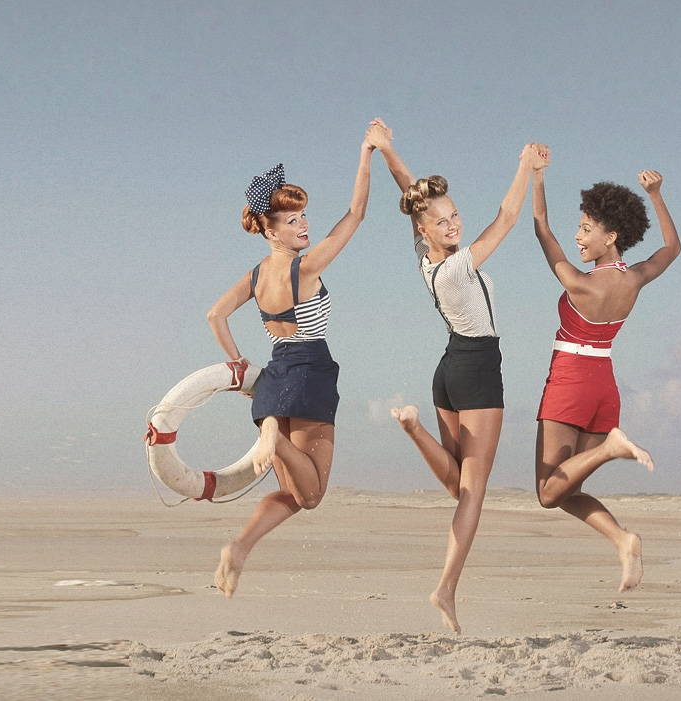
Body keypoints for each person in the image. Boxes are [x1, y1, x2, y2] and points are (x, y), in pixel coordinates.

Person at [370, 118, 549, 632]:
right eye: (441, 221)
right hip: (476, 371)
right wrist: (525, 165)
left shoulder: (426, 261)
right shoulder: (455, 269)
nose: (452, 225)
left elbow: (411, 193)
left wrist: (386, 149)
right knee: (473, 490)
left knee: (458, 485)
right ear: (424, 229)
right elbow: (507, 217)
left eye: (454, 215)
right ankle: (446, 587)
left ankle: (414, 428)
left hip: (448, 371)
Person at [204, 122, 386, 598]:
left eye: (304, 216)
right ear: (269, 229)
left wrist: (238, 364)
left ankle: (239, 547)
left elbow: (215, 315)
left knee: (292, 494)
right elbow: (357, 213)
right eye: (292, 220)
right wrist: (366, 153)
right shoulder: (305, 267)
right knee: (314, 493)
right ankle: (275, 440)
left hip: (273, 379)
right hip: (309, 372)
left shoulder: (255, 275)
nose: (304, 225)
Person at [530, 162, 681, 593]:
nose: (577, 237)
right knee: (566, 489)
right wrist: (656, 194)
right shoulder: (635, 278)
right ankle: (622, 539)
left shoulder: (580, 283)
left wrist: (537, 176)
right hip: (605, 387)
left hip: (571, 381)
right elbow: (672, 247)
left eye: (586, 229)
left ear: (610, 236)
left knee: (547, 492)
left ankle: (612, 448)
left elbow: (541, 227)